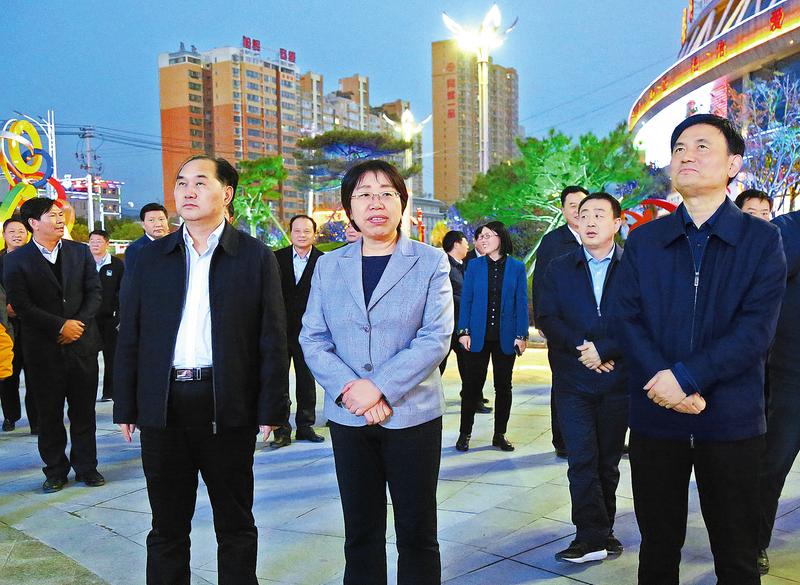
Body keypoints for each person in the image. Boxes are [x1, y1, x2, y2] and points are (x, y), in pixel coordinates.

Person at [615, 113, 786, 585]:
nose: (686, 155)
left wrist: (686, 378)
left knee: (736, 555)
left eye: (701, 146)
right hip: (655, 415)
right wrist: (666, 383)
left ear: (733, 164)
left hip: (730, 418)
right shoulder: (646, 240)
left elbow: (755, 330)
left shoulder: (761, 239)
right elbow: (626, 317)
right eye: (678, 148)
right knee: (657, 550)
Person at [114, 155, 289, 585]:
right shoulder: (149, 258)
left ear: (226, 194)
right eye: (181, 183)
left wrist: (272, 407)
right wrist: (127, 404)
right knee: (166, 526)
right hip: (164, 406)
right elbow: (130, 332)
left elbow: (272, 337)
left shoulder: (254, 256)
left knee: (235, 523)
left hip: (227, 405)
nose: (187, 191)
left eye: (199, 182)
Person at [300, 159, 452, 585]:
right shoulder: (329, 265)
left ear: (402, 203)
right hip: (349, 416)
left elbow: (435, 337)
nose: (376, 203)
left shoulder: (430, 261)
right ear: (349, 207)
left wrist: (380, 388)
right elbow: (313, 337)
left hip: (412, 416)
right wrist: (354, 390)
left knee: (417, 532)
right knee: (361, 531)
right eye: (364, 195)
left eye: (387, 193)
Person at [538, 192, 628, 564]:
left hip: (618, 379)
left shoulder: (634, 267)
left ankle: (604, 531)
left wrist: (606, 350)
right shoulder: (560, 267)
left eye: (599, 214)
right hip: (573, 379)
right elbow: (547, 316)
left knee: (607, 461)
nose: (589, 221)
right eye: (584, 214)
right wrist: (584, 349)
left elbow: (644, 316)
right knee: (581, 459)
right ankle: (589, 537)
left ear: (617, 222)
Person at [4, 197, 104, 493]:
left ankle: (87, 467)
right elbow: (21, 304)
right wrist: (59, 326)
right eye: (52, 215)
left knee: (84, 412)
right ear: (33, 223)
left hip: (82, 345)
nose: (60, 220)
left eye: (61, 215)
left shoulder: (80, 252)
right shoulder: (16, 260)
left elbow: (94, 293)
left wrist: (76, 325)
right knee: (48, 413)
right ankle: (55, 470)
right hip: (43, 349)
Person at [456, 221, 529, 453]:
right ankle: (464, 433)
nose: (483, 240)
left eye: (488, 235)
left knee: (503, 387)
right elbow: (466, 300)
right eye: (481, 236)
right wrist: (463, 331)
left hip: (505, 338)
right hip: (477, 336)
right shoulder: (474, 266)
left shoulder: (517, 267)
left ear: (500, 238)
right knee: (471, 387)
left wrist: (522, 334)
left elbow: (521, 303)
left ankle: (500, 435)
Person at [758, 208, 800, 575]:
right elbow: (761, 283)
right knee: (773, 464)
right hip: (793, 375)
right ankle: (753, 542)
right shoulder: (787, 230)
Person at [533, 185, 588, 458]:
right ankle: (562, 440)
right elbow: (541, 284)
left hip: (595, 328)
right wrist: (543, 322)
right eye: (572, 205)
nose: (578, 211)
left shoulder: (600, 237)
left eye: (582, 205)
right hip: (563, 327)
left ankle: (598, 438)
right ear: (563, 210)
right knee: (564, 383)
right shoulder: (553, 242)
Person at [271, 214, 325, 448]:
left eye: (307, 231)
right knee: (278, 380)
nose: (302, 235)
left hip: (310, 331)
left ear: (314, 234)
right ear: (290, 233)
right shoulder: (276, 258)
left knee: (306, 378)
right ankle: (281, 429)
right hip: (279, 330)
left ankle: (305, 425)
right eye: (297, 231)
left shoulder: (324, 261)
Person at [439, 231, 490, 415]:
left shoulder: (462, 265)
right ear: (456, 244)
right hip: (447, 326)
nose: (467, 245)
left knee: (469, 366)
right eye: (464, 242)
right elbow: (445, 295)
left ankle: (474, 400)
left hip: (462, 327)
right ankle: (425, 399)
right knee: (437, 367)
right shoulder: (443, 266)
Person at [0, 216, 37, 433]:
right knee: (8, 375)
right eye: (12, 232)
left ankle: (37, 421)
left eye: (21, 231)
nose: (17, 235)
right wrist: (4, 308)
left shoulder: (36, 259)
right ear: (4, 235)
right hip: (5, 325)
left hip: (32, 324)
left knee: (35, 374)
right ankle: (10, 416)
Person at [88, 229, 124, 402]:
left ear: (107, 244)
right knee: (89, 358)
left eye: (99, 241)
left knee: (112, 357)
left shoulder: (117, 265)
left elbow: (122, 291)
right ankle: (88, 393)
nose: (95, 244)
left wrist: (120, 316)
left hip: (111, 319)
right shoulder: (84, 263)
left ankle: (110, 392)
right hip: (89, 320)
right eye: (92, 241)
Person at [124, 202, 169, 275]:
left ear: (167, 221)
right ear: (143, 225)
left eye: (161, 219)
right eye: (151, 220)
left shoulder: (176, 244)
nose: (158, 224)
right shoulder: (135, 249)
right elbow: (133, 278)